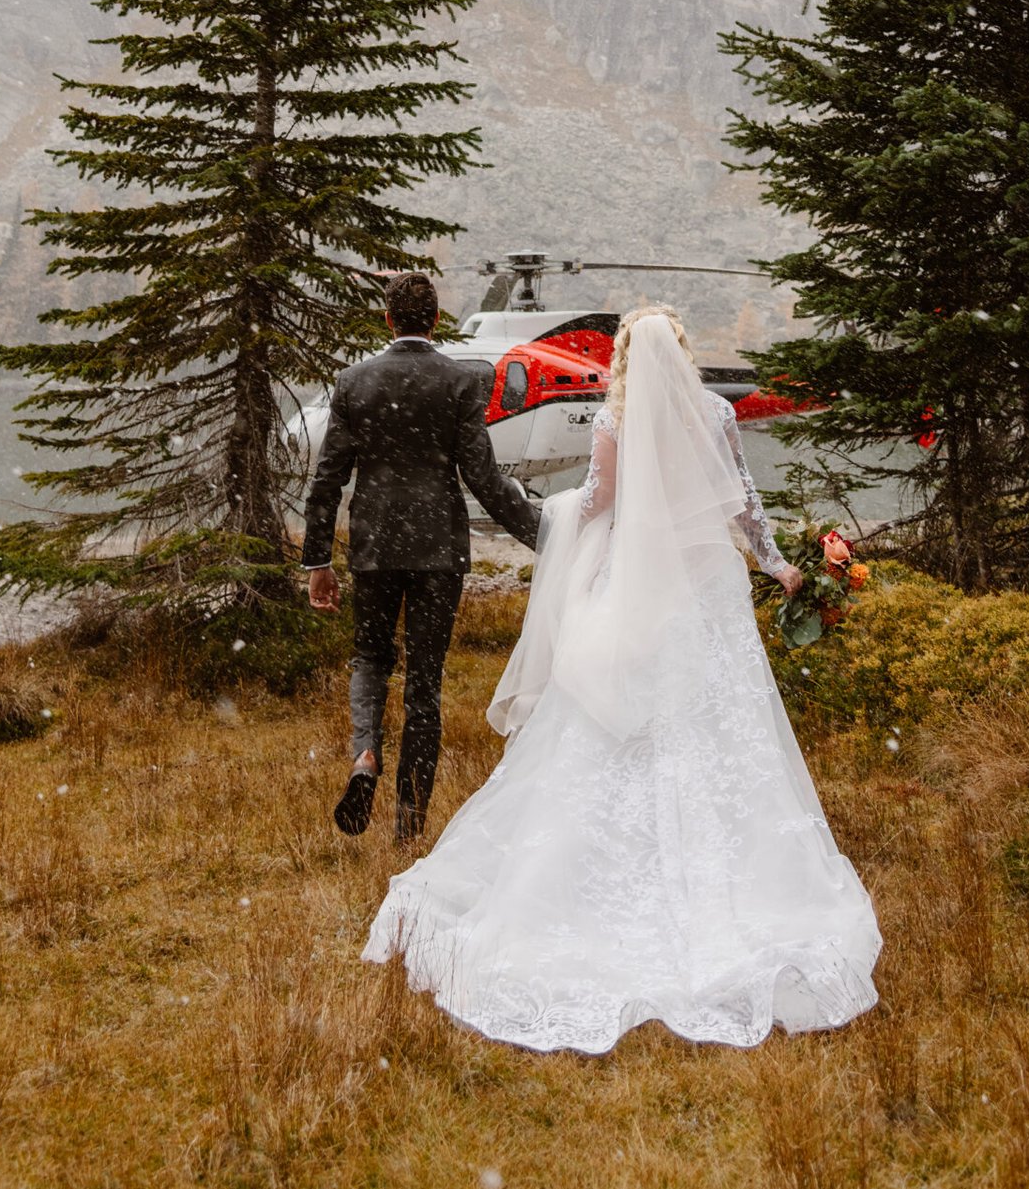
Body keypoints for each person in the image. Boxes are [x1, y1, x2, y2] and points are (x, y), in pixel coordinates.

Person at [362, 306, 881, 1051]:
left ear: (628, 357)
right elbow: (744, 502)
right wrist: (776, 563)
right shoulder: (716, 413)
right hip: (708, 594)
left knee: (615, 725)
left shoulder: (616, 420)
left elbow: (601, 503)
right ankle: (730, 881)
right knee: (718, 727)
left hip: (643, 591)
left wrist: (565, 511)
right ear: (684, 353)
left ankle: (582, 886)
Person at [301, 270, 542, 843]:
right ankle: (408, 829)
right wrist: (544, 538)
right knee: (424, 685)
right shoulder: (459, 382)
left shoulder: (354, 382)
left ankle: (365, 755)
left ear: (389, 321)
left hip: (375, 545)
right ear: (435, 321)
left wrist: (317, 562)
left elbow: (328, 478)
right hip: (438, 548)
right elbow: (483, 478)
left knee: (369, 658)